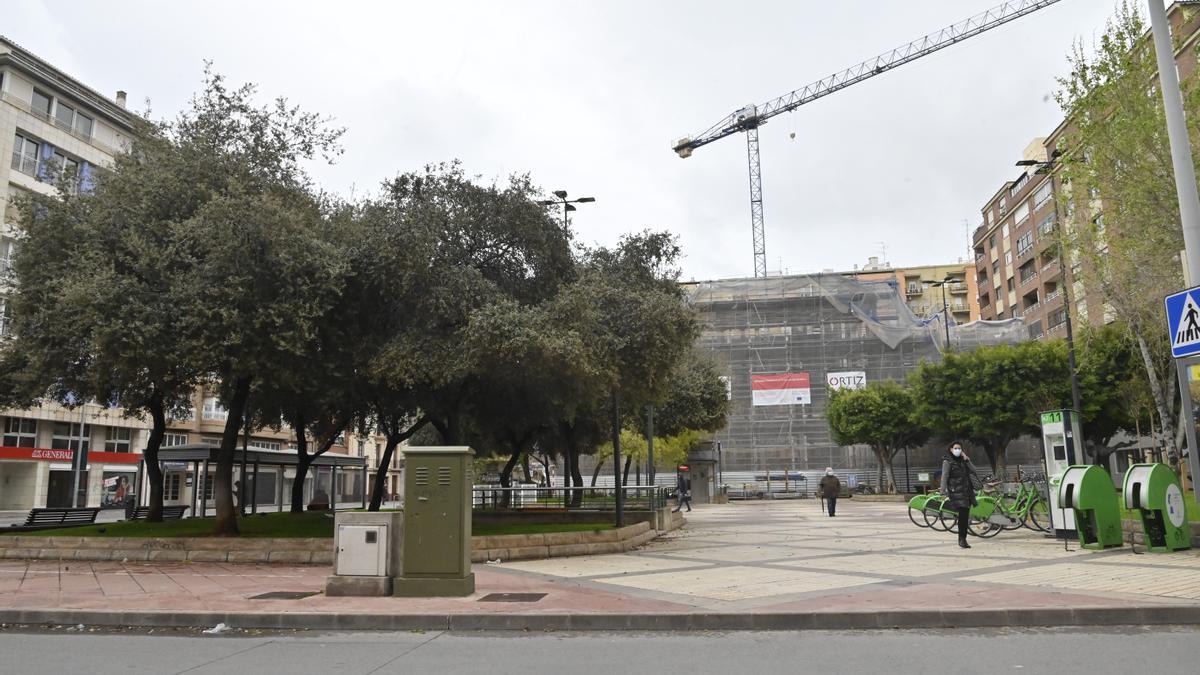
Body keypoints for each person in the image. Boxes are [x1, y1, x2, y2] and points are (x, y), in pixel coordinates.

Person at [940, 441, 982, 549]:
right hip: (956, 491)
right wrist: (942, 491)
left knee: (965, 515)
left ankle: (962, 538)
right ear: (951, 449)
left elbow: (974, 470)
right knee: (963, 515)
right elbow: (944, 476)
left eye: (959, 448)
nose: (958, 450)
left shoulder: (964, 461)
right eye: (956, 448)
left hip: (967, 491)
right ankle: (962, 539)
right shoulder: (947, 461)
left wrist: (967, 459)